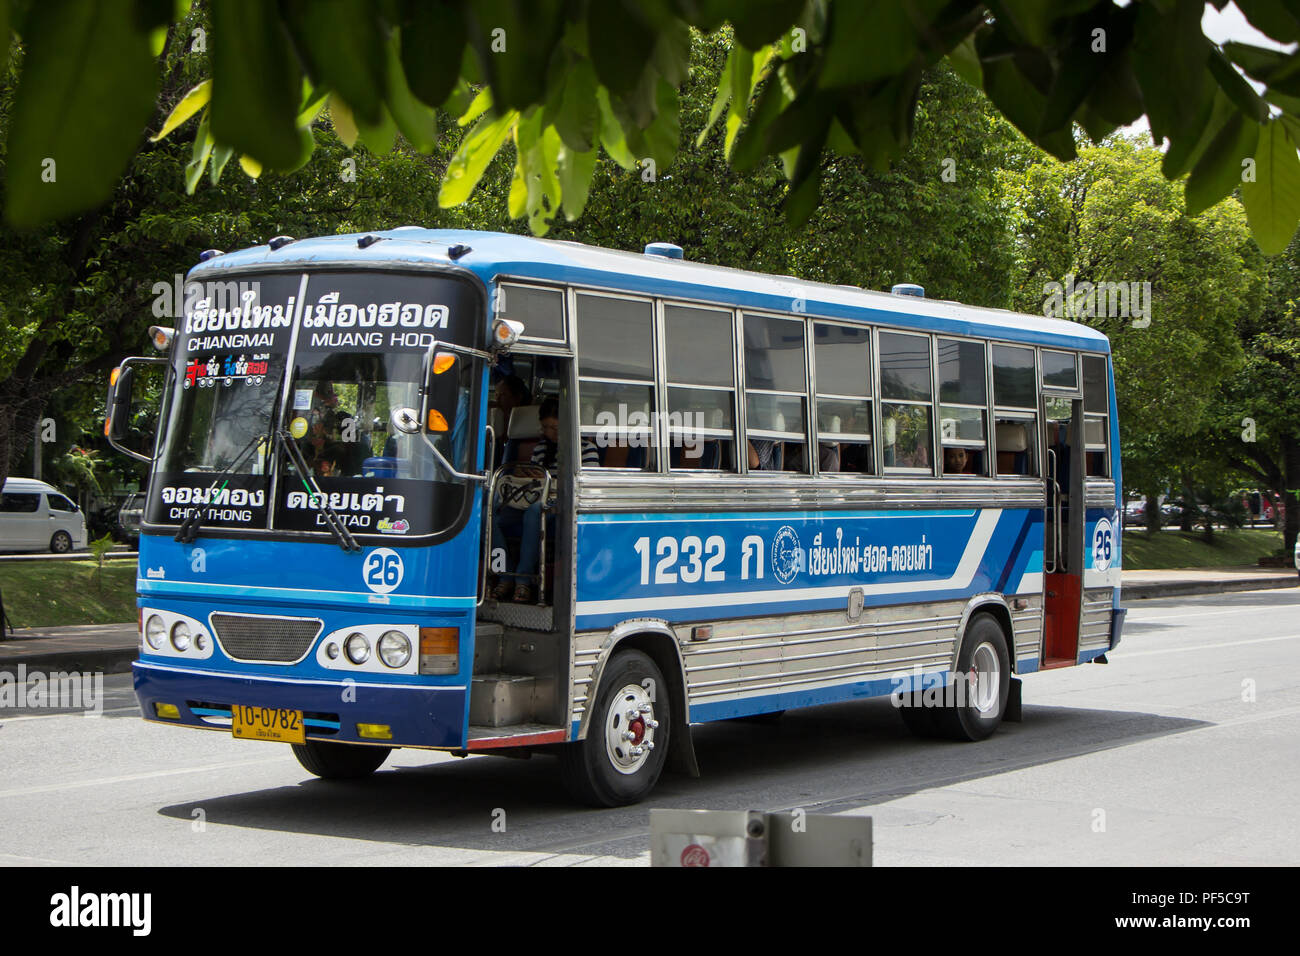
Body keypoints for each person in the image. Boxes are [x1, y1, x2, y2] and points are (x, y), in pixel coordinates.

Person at [490, 397, 596, 603]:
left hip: (564, 503)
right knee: (491, 516)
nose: (552, 433)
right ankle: (505, 574)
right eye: (546, 427)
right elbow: (534, 481)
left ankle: (523, 581)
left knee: (535, 512)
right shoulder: (540, 449)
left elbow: (588, 484)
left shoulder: (586, 449)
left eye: (556, 427)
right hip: (535, 498)